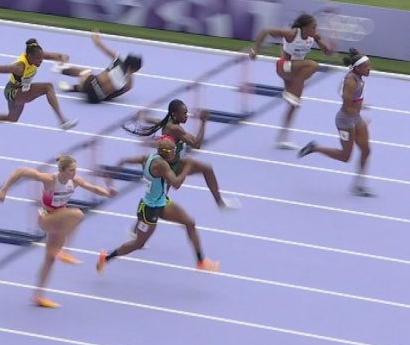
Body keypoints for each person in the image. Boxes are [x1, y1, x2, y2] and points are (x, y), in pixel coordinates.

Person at [0, 155, 116, 308]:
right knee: (77, 214)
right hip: (46, 219)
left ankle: (38, 295)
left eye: (75, 170)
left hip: (59, 221)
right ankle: (66, 251)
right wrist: (3, 189)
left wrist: (107, 193)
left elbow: (93, 188)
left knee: (49, 260)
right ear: (63, 170)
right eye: (72, 170)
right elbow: (21, 170)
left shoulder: (75, 181)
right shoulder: (50, 180)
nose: (75, 173)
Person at [96, 137, 219, 273]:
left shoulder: (148, 157)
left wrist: (112, 176)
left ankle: (200, 260)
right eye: (172, 152)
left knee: (189, 223)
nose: (175, 154)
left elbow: (124, 160)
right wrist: (188, 166)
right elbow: (176, 184)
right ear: (164, 152)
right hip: (149, 210)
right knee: (138, 243)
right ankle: (106, 258)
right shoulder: (161, 165)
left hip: (162, 203)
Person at [124, 99, 238, 208]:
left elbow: (154, 120)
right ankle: (139, 225)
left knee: (207, 169)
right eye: (184, 113)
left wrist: (141, 116)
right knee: (157, 202)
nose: (186, 116)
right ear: (174, 115)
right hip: (168, 166)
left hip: (175, 161)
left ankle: (220, 202)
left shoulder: (167, 122)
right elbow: (196, 144)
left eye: (187, 113)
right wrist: (203, 122)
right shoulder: (175, 129)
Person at [249, 13, 336, 149]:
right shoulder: (291, 34)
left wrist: (332, 45)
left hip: (295, 71)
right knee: (312, 65)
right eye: (313, 27)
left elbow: (327, 52)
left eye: (315, 28)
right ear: (304, 27)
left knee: (293, 105)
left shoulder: (314, 36)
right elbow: (266, 31)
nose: (315, 30)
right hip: (284, 66)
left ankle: (282, 138)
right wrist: (255, 49)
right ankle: (293, 89)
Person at [299, 49, 374, 197]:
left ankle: (358, 185)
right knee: (345, 157)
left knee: (366, 150)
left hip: (355, 118)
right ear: (357, 68)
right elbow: (346, 107)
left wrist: (360, 109)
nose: (369, 68)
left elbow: (353, 101)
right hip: (345, 121)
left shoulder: (358, 78)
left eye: (369, 65)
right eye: (366, 66)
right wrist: (359, 116)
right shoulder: (351, 82)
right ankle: (315, 148)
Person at [0, 38, 78, 131]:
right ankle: (62, 121)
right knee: (48, 87)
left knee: (12, 118)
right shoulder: (19, 67)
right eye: (38, 59)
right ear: (29, 56)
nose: (41, 61)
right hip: (13, 91)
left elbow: (61, 56)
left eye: (41, 58)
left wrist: (63, 62)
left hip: (22, 90)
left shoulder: (37, 55)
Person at [52, 29, 143, 103]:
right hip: (96, 98)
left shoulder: (118, 59)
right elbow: (114, 95)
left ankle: (60, 69)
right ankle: (74, 88)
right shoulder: (129, 83)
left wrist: (95, 37)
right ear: (134, 68)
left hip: (89, 84)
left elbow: (100, 45)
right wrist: (101, 97)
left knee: (87, 71)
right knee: (96, 84)